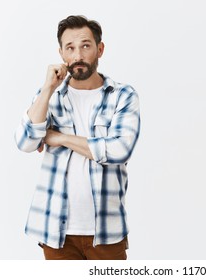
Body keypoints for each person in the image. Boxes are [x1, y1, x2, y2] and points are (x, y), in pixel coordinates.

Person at [14, 15, 140, 260]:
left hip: (106, 232)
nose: (78, 55)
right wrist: (48, 88)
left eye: (85, 45)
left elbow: (118, 150)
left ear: (99, 49)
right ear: (61, 53)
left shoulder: (122, 95)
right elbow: (25, 142)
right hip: (56, 232)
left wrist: (58, 138)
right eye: (70, 48)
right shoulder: (50, 95)